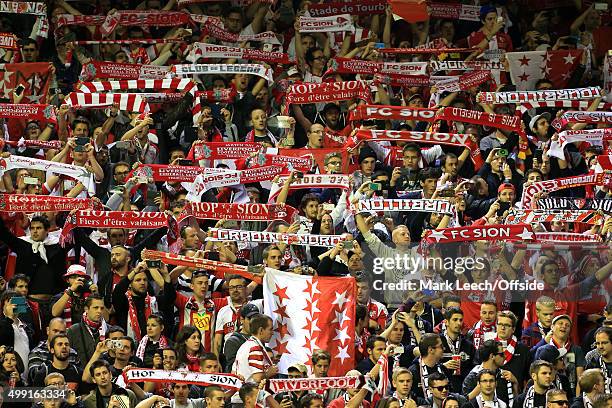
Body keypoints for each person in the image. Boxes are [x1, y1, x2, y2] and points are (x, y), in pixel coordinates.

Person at [66, 294, 107, 366]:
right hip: (80, 374)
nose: (99, 311)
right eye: (96, 308)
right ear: (86, 309)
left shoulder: (108, 330)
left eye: (102, 308)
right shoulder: (73, 331)